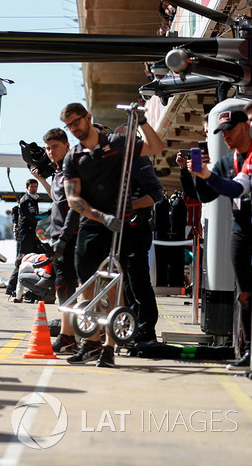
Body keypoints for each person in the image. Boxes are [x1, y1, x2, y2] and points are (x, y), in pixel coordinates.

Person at [54, 102, 164, 368]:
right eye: (69, 126)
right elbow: (73, 199)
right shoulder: (73, 157)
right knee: (87, 287)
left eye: (76, 122)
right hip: (92, 227)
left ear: (88, 118)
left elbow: (156, 148)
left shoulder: (118, 143)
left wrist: (142, 121)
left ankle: (108, 348)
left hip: (120, 229)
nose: (74, 129)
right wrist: (103, 217)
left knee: (114, 285)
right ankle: (90, 343)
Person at [187, 107, 252, 370]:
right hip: (241, 230)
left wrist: (208, 175)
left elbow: (234, 187)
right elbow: (207, 196)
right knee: (244, 294)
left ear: (245, 127)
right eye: (221, 132)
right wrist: (196, 174)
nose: (225, 136)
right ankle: (248, 350)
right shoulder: (227, 162)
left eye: (230, 130)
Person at [115, 124, 166, 343]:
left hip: (137, 230)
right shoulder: (115, 162)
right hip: (120, 231)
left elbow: (157, 194)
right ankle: (132, 325)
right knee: (124, 282)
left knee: (138, 281)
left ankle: (147, 329)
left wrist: (130, 205)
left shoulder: (139, 160)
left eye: (122, 139)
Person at [31, 127, 79, 352]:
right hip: (59, 237)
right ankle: (69, 336)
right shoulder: (59, 172)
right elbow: (57, 198)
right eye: (48, 148)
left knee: (75, 288)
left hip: (71, 238)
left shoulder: (72, 169)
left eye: (55, 147)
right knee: (64, 287)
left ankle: (85, 337)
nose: (50, 152)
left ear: (67, 146)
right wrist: (41, 178)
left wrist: (65, 238)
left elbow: (74, 205)